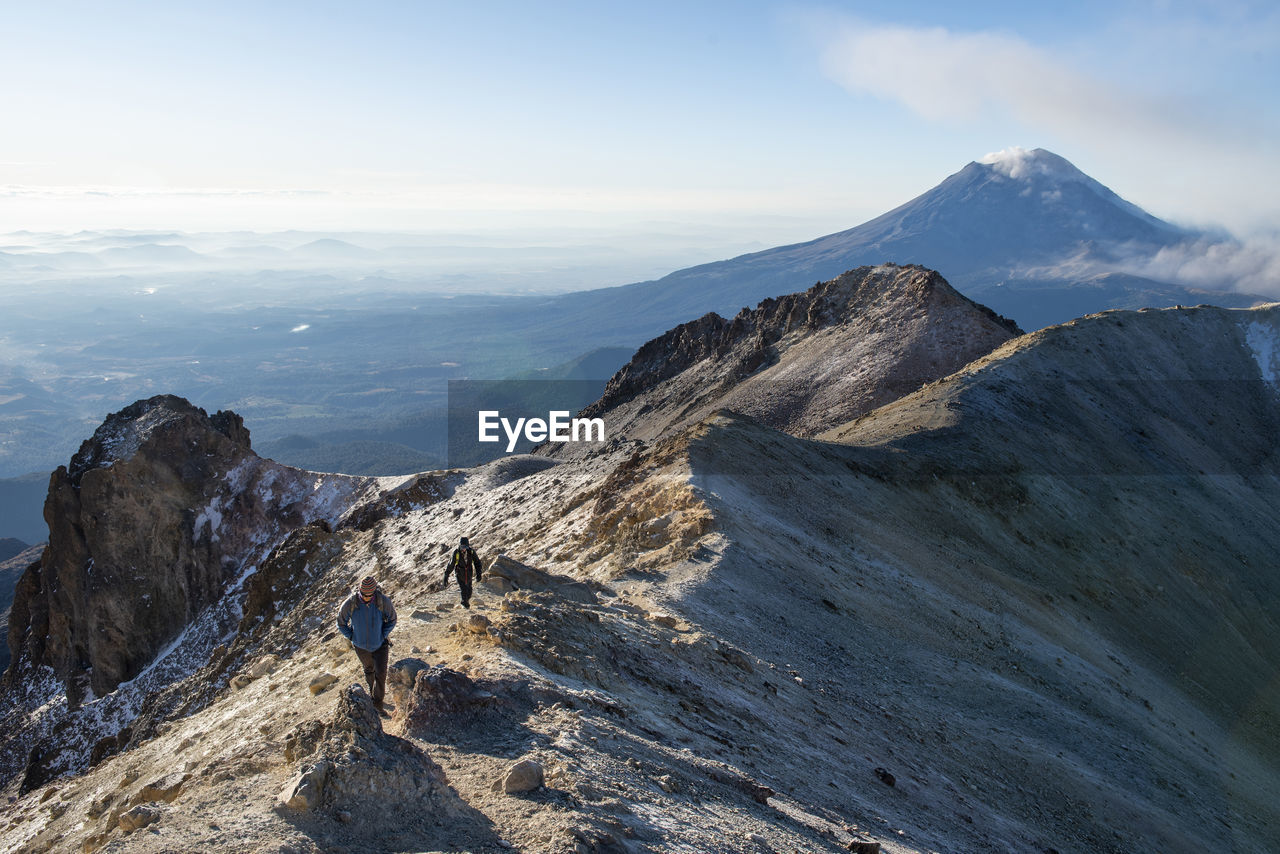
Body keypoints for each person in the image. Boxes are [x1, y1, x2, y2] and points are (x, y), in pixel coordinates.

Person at [336, 576, 397, 709]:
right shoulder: (351, 603)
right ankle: (372, 694)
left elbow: (392, 619)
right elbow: (341, 622)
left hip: (380, 645)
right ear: (359, 591)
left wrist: (383, 634)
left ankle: (378, 704)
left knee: (381, 674)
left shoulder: (383, 601)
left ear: (375, 592)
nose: (367, 598)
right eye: (364, 595)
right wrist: (352, 637)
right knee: (369, 671)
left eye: (370, 595)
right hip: (361, 647)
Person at [444, 536, 483, 609]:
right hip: (459, 574)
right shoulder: (456, 553)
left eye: (465, 547)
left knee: (469, 591)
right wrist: (446, 575)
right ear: (460, 545)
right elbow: (451, 564)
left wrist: (479, 574)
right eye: (462, 547)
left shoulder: (471, 552)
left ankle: (466, 602)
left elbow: (477, 562)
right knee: (464, 590)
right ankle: (465, 605)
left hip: (469, 574)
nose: (464, 549)